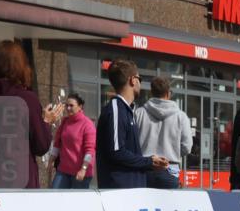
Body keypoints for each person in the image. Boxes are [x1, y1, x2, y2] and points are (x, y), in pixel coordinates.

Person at [0, 40, 62, 188]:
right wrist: (45, 121)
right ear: (20, 66)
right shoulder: (26, 99)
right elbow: (41, 146)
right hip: (19, 180)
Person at [96, 60, 169, 189]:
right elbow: (117, 152)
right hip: (120, 190)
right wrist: (148, 162)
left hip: (130, 189)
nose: (140, 83)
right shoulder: (116, 109)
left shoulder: (126, 109)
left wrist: (149, 161)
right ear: (133, 80)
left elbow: (125, 152)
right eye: (139, 78)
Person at [135, 76, 193, 189]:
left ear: (151, 92)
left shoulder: (139, 113)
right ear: (168, 93)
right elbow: (187, 147)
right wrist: (173, 151)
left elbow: (133, 142)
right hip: (170, 169)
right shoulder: (181, 117)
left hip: (145, 169)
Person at [47, 93, 96, 189]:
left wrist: (83, 169)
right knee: (54, 197)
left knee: (77, 203)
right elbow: (57, 144)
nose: (68, 108)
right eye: (67, 105)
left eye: (71, 105)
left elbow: (90, 151)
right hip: (63, 170)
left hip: (81, 172)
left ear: (80, 107)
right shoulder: (65, 122)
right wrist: (51, 160)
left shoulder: (88, 124)